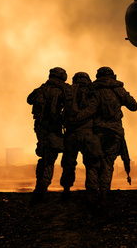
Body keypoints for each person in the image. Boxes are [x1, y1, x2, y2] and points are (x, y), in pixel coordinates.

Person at [93, 66, 137, 202]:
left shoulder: (92, 89)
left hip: (96, 132)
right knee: (107, 163)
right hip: (114, 133)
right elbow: (134, 106)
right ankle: (104, 193)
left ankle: (93, 193)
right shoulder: (118, 89)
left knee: (94, 163)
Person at [59, 72, 103, 201]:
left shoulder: (67, 91)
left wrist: (70, 119)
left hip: (71, 134)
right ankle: (92, 192)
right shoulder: (93, 91)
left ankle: (66, 190)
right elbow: (95, 109)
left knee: (68, 164)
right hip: (88, 133)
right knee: (92, 164)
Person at [27, 67, 68, 204]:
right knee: (49, 159)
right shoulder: (62, 90)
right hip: (53, 129)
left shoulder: (41, 90)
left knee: (45, 157)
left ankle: (40, 188)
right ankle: (42, 189)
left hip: (41, 129)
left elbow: (29, 99)